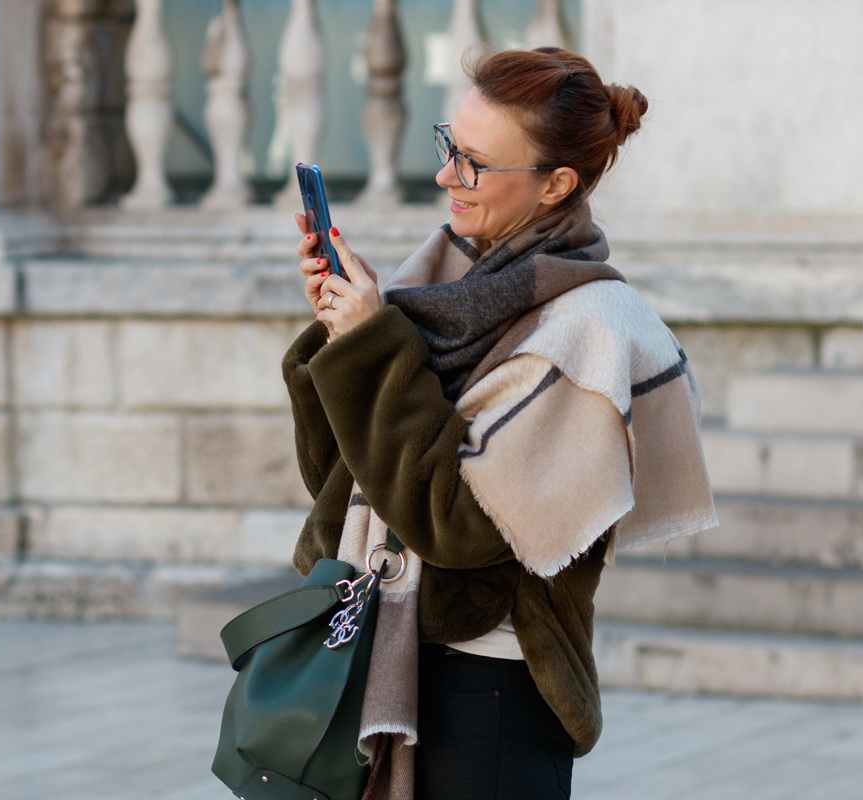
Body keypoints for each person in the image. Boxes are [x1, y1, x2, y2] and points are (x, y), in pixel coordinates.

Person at [284, 47, 717, 800]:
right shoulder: (447, 285)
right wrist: (341, 332)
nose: (448, 176)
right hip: (394, 660)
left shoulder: (586, 333)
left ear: (556, 184)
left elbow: (455, 525)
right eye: (449, 145)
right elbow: (341, 478)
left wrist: (370, 349)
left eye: (476, 163)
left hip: (488, 700)